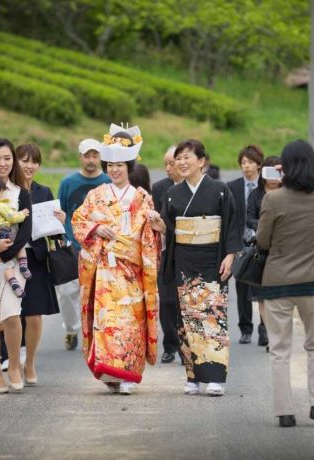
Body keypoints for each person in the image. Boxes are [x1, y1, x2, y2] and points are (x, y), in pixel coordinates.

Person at [71, 125, 164, 395]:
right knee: (107, 322)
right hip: (105, 271)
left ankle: (128, 375)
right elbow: (78, 220)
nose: (115, 170)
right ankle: (110, 372)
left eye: (120, 165)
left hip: (132, 270)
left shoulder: (143, 198)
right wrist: (95, 229)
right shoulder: (96, 195)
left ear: (129, 167)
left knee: (130, 323)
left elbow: (149, 238)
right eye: (110, 165)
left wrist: (157, 228)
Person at [256, 140, 314, 428]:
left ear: (283, 166)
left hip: (277, 281)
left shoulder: (273, 199)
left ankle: (284, 412)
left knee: (280, 348)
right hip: (313, 279)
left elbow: (263, 240)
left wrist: (280, 179)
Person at [162, 139, 243, 397]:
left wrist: (230, 256)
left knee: (213, 317)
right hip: (184, 262)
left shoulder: (219, 189)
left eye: (187, 157)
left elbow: (231, 224)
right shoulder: (173, 194)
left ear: (201, 161)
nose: (182, 163)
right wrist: (160, 228)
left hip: (212, 260)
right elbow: (170, 230)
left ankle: (216, 377)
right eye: (179, 158)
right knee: (186, 320)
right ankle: (193, 375)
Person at [0, 138, 32, 394]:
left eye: (7, 158)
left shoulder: (20, 193)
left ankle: (14, 365)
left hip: (13, 262)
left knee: (12, 314)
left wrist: (6, 254)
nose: (2, 164)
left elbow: (26, 231)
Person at [15, 142, 64, 386]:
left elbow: (55, 234)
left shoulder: (44, 192)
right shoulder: (5, 191)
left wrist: (60, 223)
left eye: (34, 161)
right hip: (9, 259)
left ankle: (30, 362)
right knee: (9, 316)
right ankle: (13, 361)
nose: (29, 165)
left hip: (36, 259)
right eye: (24, 160)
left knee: (34, 316)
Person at [56, 138, 111, 351]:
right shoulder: (68, 183)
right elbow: (60, 213)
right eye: (87, 155)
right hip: (72, 245)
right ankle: (71, 329)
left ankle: (97, 332)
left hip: (100, 247)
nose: (91, 160)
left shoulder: (107, 181)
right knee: (67, 292)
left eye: (95, 155)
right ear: (80, 157)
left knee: (99, 292)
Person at [227, 145, 264, 344]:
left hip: (261, 243)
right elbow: (230, 218)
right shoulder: (232, 187)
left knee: (261, 286)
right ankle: (245, 328)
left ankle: (264, 328)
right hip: (241, 244)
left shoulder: (267, 186)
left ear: (259, 164)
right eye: (243, 162)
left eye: (249, 162)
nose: (246, 166)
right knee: (241, 286)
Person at [245, 155, 281, 350]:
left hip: (282, 251)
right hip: (261, 250)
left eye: (277, 172)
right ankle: (269, 332)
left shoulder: (288, 194)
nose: (274, 178)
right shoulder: (256, 194)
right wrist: (264, 227)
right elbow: (249, 218)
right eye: (269, 173)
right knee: (261, 297)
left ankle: (277, 332)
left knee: (278, 296)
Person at [151, 145, 183, 364]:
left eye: (171, 163)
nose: (168, 168)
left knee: (185, 302)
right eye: (166, 164)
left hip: (189, 252)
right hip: (164, 252)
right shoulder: (160, 187)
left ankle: (187, 345)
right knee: (167, 301)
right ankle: (170, 344)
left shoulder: (197, 189)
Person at [0, 173, 31, 298]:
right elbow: (12, 218)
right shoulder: (0, 205)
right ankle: (23, 264)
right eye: (1, 191)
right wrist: (23, 214)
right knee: (20, 247)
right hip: (4, 232)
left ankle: (13, 282)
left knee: (5, 265)